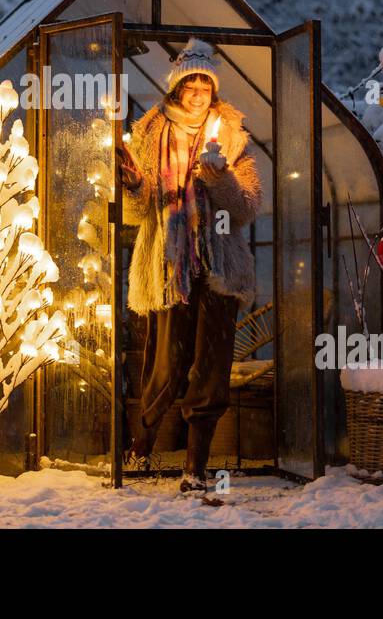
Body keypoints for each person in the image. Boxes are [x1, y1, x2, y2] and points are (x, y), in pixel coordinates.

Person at [117, 38, 261, 493]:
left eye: (205, 84)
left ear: (213, 90)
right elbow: (138, 211)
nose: (198, 92)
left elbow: (246, 208)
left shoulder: (233, 136)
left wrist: (218, 179)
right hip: (166, 266)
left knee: (210, 365)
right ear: (176, 88)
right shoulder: (149, 134)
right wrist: (133, 183)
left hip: (217, 269)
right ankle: (140, 447)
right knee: (166, 361)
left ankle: (194, 469)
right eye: (190, 83)